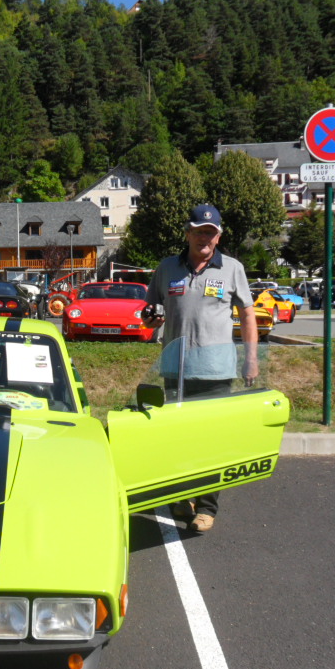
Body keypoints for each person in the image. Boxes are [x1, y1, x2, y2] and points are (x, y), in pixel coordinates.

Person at [143, 204, 258, 534]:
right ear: (187, 234)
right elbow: (150, 311)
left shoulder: (232, 268)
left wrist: (250, 358)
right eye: (198, 231)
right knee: (177, 439)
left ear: (218, 236)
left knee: (210, 442)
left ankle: (206, 508)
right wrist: (150, 319)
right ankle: (181, 496)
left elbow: (247, 314)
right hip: (175, 368)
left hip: (215, 371)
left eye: (210, 232)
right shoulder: (167, 268)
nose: (203, 238)